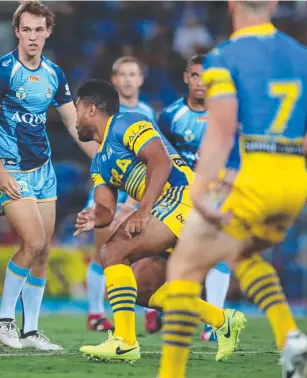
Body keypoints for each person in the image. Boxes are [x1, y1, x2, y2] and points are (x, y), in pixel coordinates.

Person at [157, 1, 307, 377]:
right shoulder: (301, 55)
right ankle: (290, 337)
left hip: (254, 176)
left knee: (183, 267)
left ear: (232, 4)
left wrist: (200, 190)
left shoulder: (224, 56)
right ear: (273, 4)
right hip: (293, 180)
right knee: (242, 252)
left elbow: (221, 132)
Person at [73, 79, 245, 363]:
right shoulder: (99, 163)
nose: (74, 117)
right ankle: (222, 321)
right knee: (143, 289)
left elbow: (161, 161)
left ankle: (125, 342)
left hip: (182, 197)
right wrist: (94, 218)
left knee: (113, 252)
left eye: (77, 108)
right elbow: (106, 209)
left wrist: (143, 210)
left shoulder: (126, 122)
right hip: (165, 209)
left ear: (91, 109)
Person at [0, 1, 97, 350]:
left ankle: (31, 331)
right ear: (16, 32)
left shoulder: (54, 74)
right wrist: (0, 173)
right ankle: (4, 321)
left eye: (38, 30)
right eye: (25, 30)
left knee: (43, 251)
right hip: (9, 169)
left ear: (48, 32)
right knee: (32, 242)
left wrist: (102, 160)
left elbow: (75, 125)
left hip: (43, 171)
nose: (32, 37)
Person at [154, 54, 231, 341]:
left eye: (206, 77)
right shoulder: (170, 116)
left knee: (217, 253)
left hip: (213, 196)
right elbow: (158, 159)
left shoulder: (224, 115)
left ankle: (215, 321)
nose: (200, 83)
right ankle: (161, 306)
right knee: (165, 255)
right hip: (176, 198)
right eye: (195, 76)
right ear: (187, 78)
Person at [84, 56, 157, 332]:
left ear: (140, 79)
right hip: (108, 188)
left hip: (137, 191)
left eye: (132, 74)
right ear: (113, 80)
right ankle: (95, 312)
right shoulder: (104, 113)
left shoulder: (148, 112)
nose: (127, 79)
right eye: (122, 74)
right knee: (101, 251)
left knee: (141, 251)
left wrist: (136, 198)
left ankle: (147, 308)